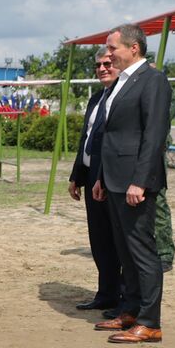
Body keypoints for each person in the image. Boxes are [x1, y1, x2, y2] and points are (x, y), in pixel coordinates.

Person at [94, 23, 171, 344]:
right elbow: (111, 135)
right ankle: (130, 310)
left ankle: (150, 322)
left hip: (134, 183)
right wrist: (99, 175)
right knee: (124, 251)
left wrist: (140, 181)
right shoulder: (122, 83)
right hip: (113, 180)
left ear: (133, 48)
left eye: (113, 49)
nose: (108, 55)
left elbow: (153, 135)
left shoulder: (152, 80)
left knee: (142, 252)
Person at [69, 51, 124, 311]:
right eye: (98, 65)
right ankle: (106, 293)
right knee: (99, 239)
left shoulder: (122, 98)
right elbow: (87, 140)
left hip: (113, 178)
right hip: (92, 177)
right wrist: (76, 176)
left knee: (117, 240)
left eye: (108, 64)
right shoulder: (96, 99)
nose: (102, 68)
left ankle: (123, 296)